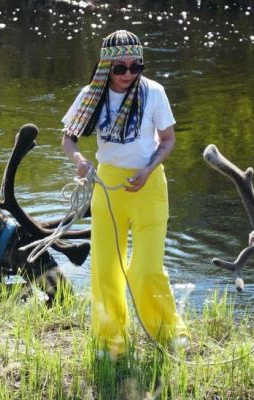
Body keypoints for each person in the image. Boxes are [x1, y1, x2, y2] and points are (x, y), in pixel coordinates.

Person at [60, 30, 187, 359]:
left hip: (150, 186)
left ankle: (168, 333)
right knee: (106, 268)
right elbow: (68, 139)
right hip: (108, 188)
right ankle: (111, 341)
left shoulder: (155, 93)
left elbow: (169, 139)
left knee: (146, 269)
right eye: (120, 68)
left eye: (135, 66)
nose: (128, 74)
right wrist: (80, 161)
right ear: (106, 66)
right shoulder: (91, 95)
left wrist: (148, 169)